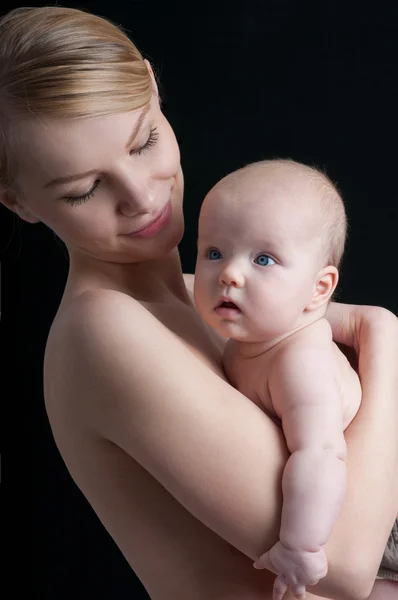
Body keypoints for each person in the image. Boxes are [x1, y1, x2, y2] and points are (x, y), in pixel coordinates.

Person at [1, 6, 397, 600]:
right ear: (18, 202)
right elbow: (341, 566)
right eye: (84, 189)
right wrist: (384, 336)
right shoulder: (103, 328)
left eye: (145, 141)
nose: (139, 197)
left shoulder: (207, 295)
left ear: (155, 85)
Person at [193, 159, 398, 599]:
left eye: (263, 259)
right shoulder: (252, 334)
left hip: (382, 516)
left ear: (319, 290)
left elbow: (322, 454)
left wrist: (299, 547)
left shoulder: (299, 360)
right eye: (214, 252)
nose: (229, 273)